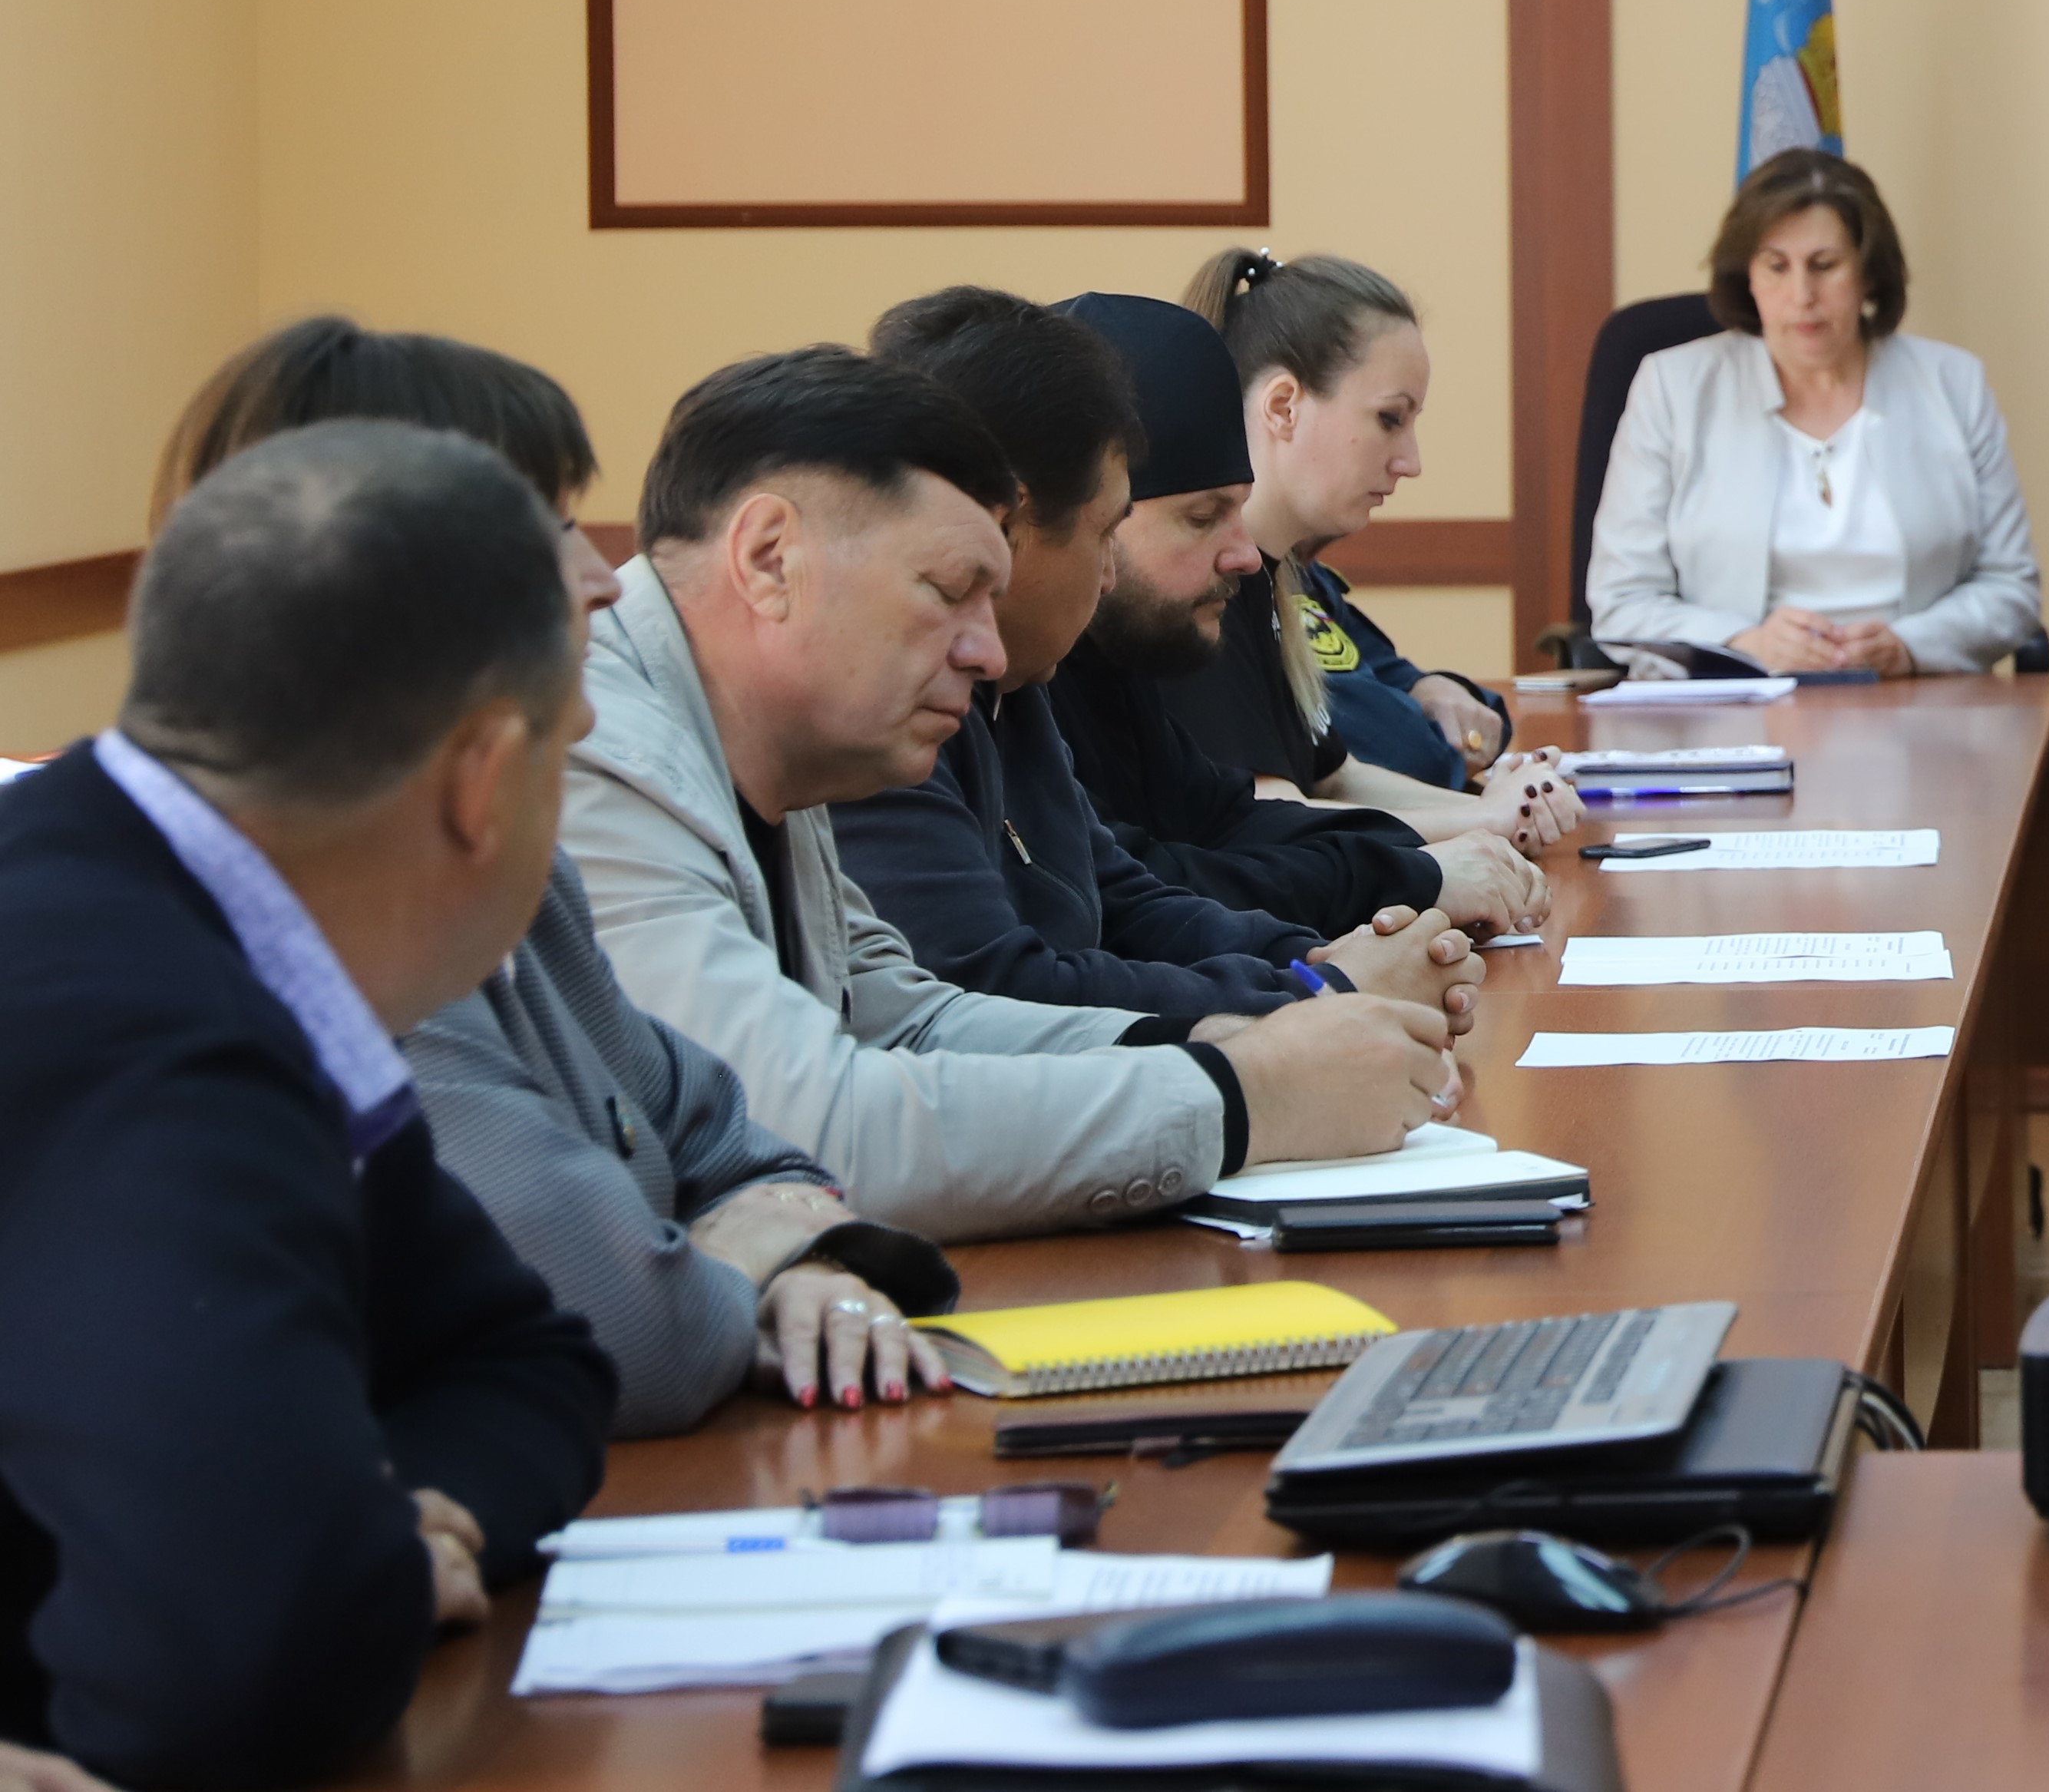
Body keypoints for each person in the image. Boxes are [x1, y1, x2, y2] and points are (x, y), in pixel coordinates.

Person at [159, 317, 951, 1430]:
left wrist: (779, 1246)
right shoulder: (336, 915)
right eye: (550, 522)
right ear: (387, 568)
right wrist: (734, 1270)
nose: (600, 574)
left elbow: (726, 1129)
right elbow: (628, 1328)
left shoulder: (511, 865)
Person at [0, 424, 612, 1783]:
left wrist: (370, 1521)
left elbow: (529, 1365)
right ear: (484, 778)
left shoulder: (188, 922)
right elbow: (253, 1651)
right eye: (566, 753)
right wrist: (351, 1555)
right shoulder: (146, 1027)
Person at [564, 348, 1475, 1242]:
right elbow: (808, 1124)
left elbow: (913, 1021)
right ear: (769, 559)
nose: (988, 654)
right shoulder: (595, 749)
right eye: (948, 591)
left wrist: (1258, 1036)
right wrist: (1246, 1097)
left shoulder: (773, 726)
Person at [838, 288, 1523, 1017]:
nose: (1245, 557)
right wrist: (1317, 989)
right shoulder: (879, 704)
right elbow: (994, 989)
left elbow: (1128, 894)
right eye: (1199, 517)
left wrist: (1317, 962)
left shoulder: (1019, 684)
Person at [1045, 291, 1565, 936]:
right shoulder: (1056, 667)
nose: (1242, 557)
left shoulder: (1128, 645)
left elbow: (1237, 821)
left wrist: (1455, 845)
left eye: (1237, 512)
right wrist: (1422, 872)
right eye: (1203, 518)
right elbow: (1140, 895)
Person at [1172, 252, 1604, 832]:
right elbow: (1273, 818)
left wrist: (1504, 809)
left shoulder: (1270, 577)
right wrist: (1488, 821)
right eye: (1388, 419)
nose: (1411, 462)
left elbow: (1336, 776)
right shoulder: (1198, 583)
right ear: (1283, 407)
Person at [1582, 156, 2047, 676]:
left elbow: (2010, 586)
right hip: (1730, 717)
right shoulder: (1673, 388)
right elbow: (1623, 600)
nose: (1801, 296)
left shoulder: (1953, 385)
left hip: (1916, 706)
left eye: (1824, 266)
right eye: (1776, 267)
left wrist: (1908, 646)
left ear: (1869, 275)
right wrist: (1745, 644)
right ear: (1749, 278)